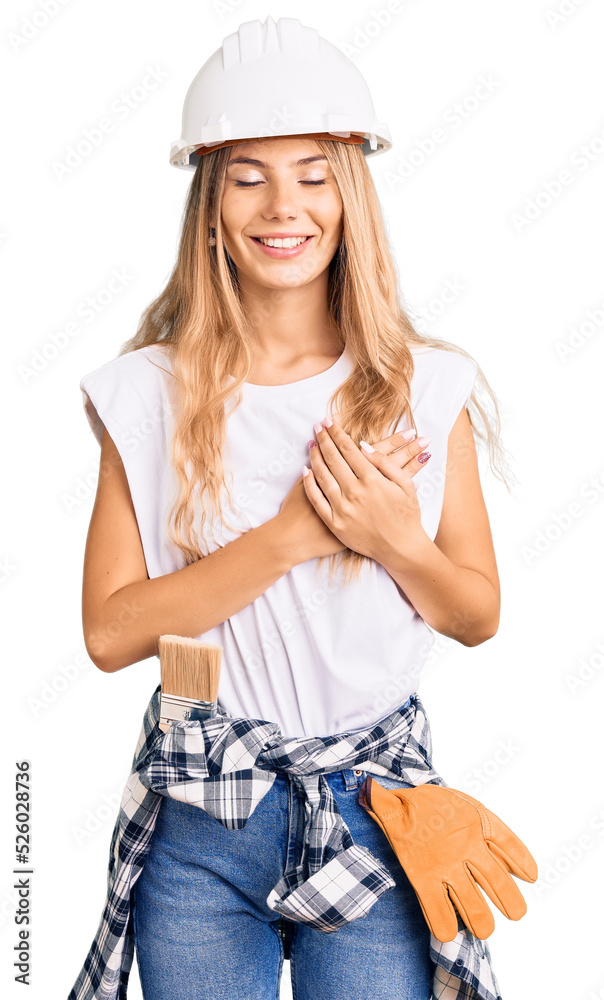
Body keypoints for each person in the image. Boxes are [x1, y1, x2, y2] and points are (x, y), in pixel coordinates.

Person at [69, 16, 513, 1000]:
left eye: (312, 174)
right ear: (211, 203)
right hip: (201, 810)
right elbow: (109, 631)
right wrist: (290, 538)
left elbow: (475, 615)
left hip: (373, 809)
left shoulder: (425, 387)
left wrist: (394, 538)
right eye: (249, 175)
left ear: (349, 193)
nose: (284, 206)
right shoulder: (144, 394)